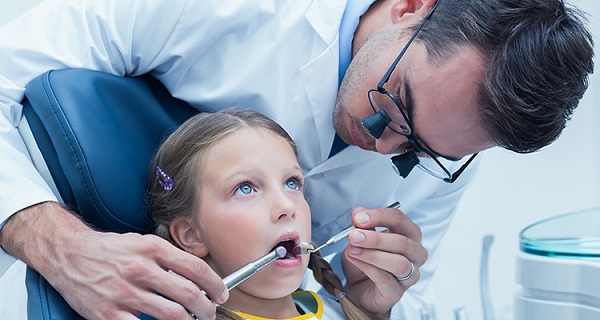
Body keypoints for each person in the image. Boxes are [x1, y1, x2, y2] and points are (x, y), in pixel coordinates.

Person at [0, 0, 593, 319]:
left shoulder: (450, 147)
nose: (383, 146)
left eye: (418, 153)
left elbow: (415, 300)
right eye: (395, 107)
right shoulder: (224, 10)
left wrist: (371, 304)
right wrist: (60, 245)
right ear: (413, 6)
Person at [148, 108, 387, 320]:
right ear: (191, 235)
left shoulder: (340, 310)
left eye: (292, 183)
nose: (286, 207)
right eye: (245, 188)